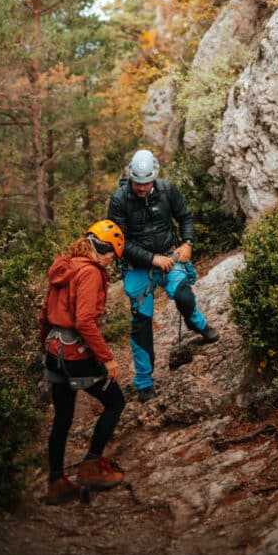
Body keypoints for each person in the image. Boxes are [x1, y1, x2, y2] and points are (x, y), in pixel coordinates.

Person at [108, 149, 218, 403]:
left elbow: (185, 217)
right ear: (130, 177)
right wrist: (151, 259)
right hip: (138, 267)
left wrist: (188, 242)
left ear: (154, 178)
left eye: (147, 183)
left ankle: (197, 324)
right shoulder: (119, 200)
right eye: (138, 183)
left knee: (184, 295)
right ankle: (144, 382)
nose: (143, 188)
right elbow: (120, 242)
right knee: (140, 323)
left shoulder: (167, 190)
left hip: (170, 256)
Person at [38, 219, 127, 503]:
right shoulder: (91, 272)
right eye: (112, 253)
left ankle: (56, 483)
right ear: (102, 249)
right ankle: (91, 466)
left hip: (54, 351)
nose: (112, 260)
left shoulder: (64, 267)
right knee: (115, 402)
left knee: (62, 418)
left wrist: (48, 350)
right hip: (76, 354)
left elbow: (43, 313)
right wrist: (107, 358)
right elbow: (84, 321)